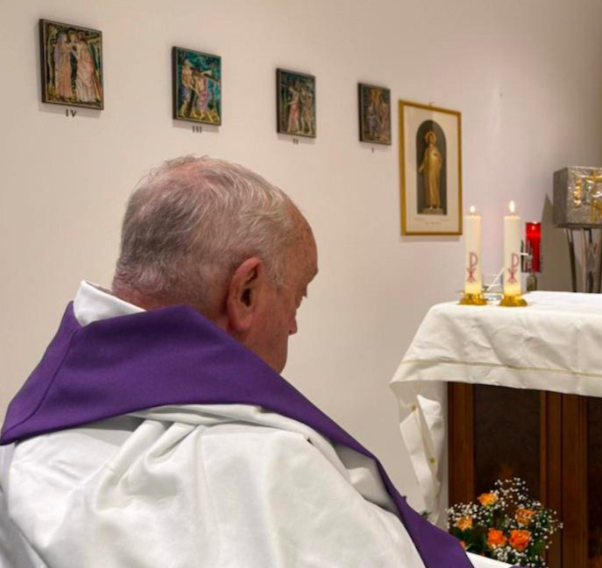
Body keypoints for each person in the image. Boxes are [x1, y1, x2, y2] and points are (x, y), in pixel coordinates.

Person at [0, 156, 501, 568]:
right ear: (244, 292)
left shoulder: (23, 453)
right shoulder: (272, 468)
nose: (293, 326)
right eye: (298, 297)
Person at [418, 130, 443, 212]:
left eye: (432, 138)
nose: (431, 140)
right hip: (428, 170)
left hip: (435, 170)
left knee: (435, 186)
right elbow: (425, 160)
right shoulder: (427, 150)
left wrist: (438, 156)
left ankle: (437, 204)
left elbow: (440, 159)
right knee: (429, 187)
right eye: (429, 138)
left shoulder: (436, 149)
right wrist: (421, 167)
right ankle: (431, 204)